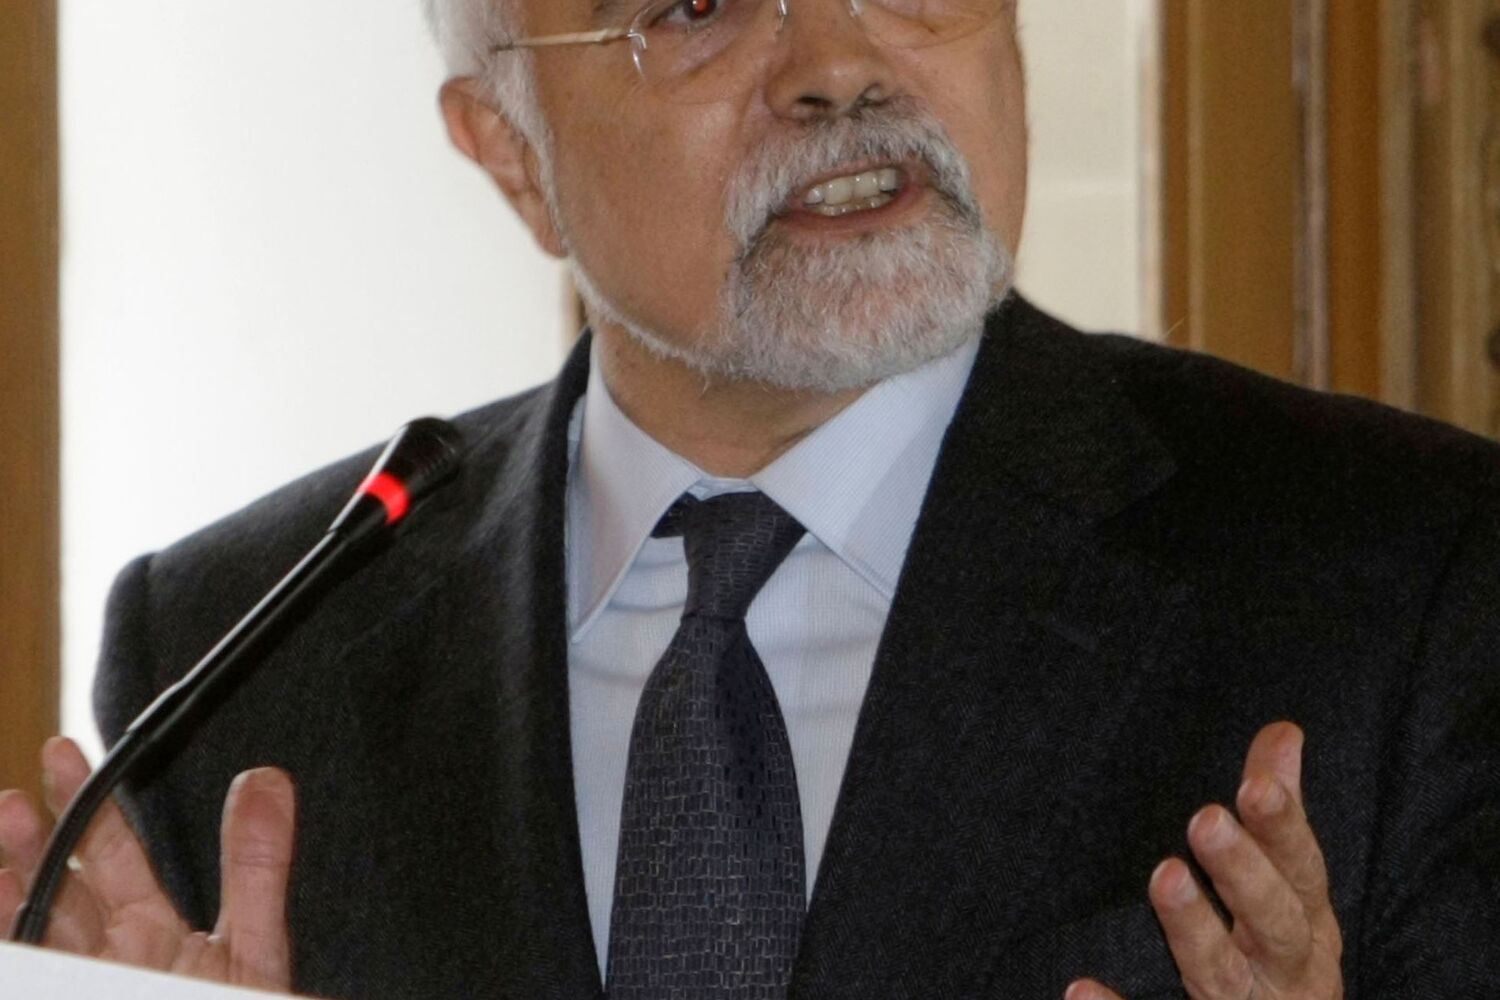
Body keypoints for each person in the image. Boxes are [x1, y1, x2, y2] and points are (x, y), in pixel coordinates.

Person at [2, 0, 1498, 996]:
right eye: (699, 5)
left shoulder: (1407, 579)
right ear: (511, 152)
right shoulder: (240, 655)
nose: (838, 63)